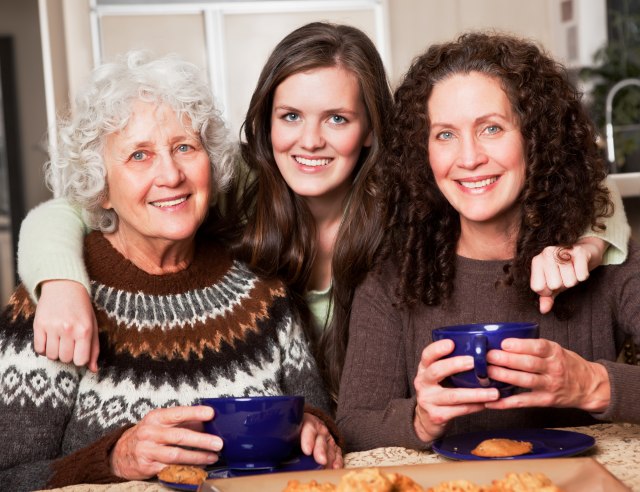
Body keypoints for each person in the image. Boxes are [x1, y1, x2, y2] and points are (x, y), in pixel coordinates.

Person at [17, 23, 629, 401]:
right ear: (266, 121)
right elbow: (69, 209)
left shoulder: (413, 202)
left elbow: (578, 199)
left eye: (336, 118)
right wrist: (61, 281)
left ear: (369, 130)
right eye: (290, 117)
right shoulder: (231, 197)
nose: (309, 141)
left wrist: (591, 244)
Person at [0, 51, 341, 491]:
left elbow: (315, 419)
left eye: (185, 147)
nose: (170, 174)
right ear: (100, 186)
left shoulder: (262, 293)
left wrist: (315, 433)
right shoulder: (53, 303)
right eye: (139, 155)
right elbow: (8, 477)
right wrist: (114, 459)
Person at [336, 32, 640, 452]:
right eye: (445, 135)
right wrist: (420, 420)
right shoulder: (395, 278)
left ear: (536, 138)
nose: (469, 158)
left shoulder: (605, 260)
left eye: (491, 128)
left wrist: (592, 385)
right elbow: (352, 426)